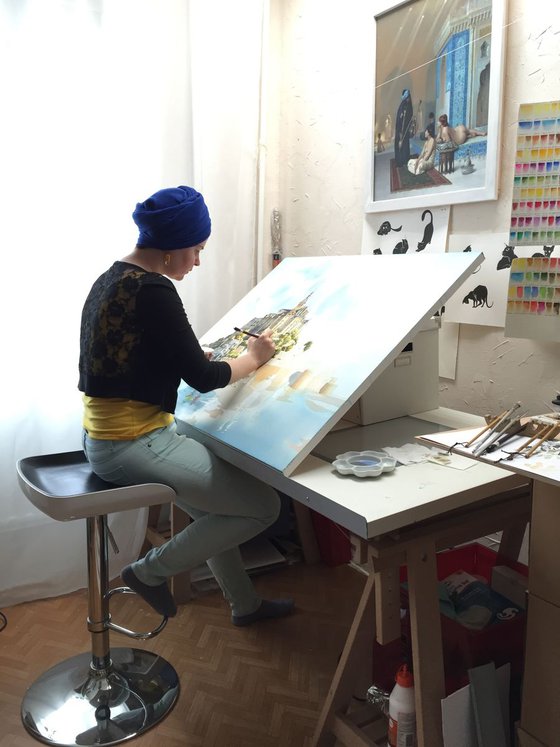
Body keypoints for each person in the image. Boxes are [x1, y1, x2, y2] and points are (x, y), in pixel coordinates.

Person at [78, 185, 294, 626]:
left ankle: (246, 605)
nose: (198, 261)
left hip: (103, 438)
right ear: (172, 247)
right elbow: (205, 378)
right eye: (196, 249)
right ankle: (146, 573)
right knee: (263, 506)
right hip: (132, 443)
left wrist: (188, 359)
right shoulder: (154, 290)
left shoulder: (112, 279)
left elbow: (127, 361)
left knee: (219, 510)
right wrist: (253, 359)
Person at [394, 89, 414, 167]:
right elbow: (399, 118)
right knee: (400, 144)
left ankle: (404, 160)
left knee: (404, 144)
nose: (407, 98)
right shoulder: (403, 104)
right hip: (400, 128)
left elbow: (408, 117)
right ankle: (400, 160)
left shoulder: (407, 105)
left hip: (404, 128)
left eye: (407, 96)